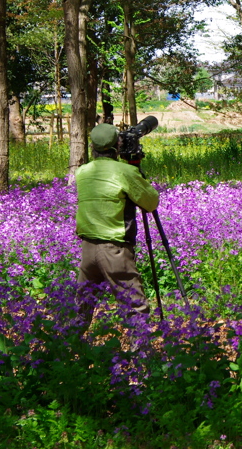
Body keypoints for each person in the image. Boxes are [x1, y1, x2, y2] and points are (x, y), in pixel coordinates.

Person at [74, 123, 160, 331]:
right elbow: (151, 203)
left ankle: (68, 350)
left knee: (82, 305)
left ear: (92, 146)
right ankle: (141, 355)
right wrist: (135, 168)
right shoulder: (124, 171)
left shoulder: (83, 172)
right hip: (115, 249)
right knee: (134, 306)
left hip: (88, 248)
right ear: (117, 146)